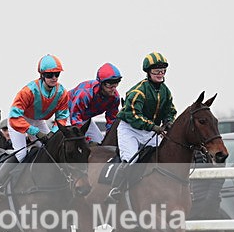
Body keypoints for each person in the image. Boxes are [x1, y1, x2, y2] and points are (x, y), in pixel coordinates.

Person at [0, 54, 70, 200]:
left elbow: (62, 118)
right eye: (50, 75)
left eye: (57, 74)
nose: (54, 78)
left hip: (38, 120)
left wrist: (53, 133)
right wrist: (35, 132)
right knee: (21, 154)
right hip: (19, 120)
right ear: (42, 75)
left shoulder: (62, 92)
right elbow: (14, 116)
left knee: (50, 149)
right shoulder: (29, 91)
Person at [107, 52, 176, 201]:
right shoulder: (138, 91)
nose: (160, 74)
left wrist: (169, 121)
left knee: (163, 158)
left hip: (149, 131)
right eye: (156, 71)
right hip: (130, 129)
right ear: (148, 72)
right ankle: (116, 190)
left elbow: (170, 110)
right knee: (131, 160)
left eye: (163, 70)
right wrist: (154, 127)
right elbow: (133, 115)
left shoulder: (166, 92)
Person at [68, 63, 122, 145]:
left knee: (100, 144)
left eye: (116, 83)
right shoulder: (85, 93)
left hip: (85, 118)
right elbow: (75, 118)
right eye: (109, 84)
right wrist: (87, 140)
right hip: (68, 114)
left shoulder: (115, 98)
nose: (113, 89)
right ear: (101, 83)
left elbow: (111, 121)